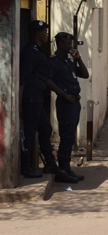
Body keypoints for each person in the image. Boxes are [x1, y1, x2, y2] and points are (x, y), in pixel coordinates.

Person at [20, 20, 78, 183]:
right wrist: (19, 102)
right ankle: (26, 166)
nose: (46, 35)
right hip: (31, 96)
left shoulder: (37, 50)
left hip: (37, 96)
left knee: (45, 129)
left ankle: (51, 164)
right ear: (38, 33)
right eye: (44, 32)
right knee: (30, 133)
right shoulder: (30, 52)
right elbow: (24, 78)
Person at [50, 32, 90, 181]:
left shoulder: (68, 61)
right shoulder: (54, 62)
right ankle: (63, 172)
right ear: (60, 44)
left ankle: (67, 169)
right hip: (65, 104)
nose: (70, 47)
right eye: (67, 44)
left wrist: (78, 59)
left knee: (70, 137)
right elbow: (48, 81)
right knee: (66, 138)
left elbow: (85, 75)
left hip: (74, 103)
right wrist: (65, 95)